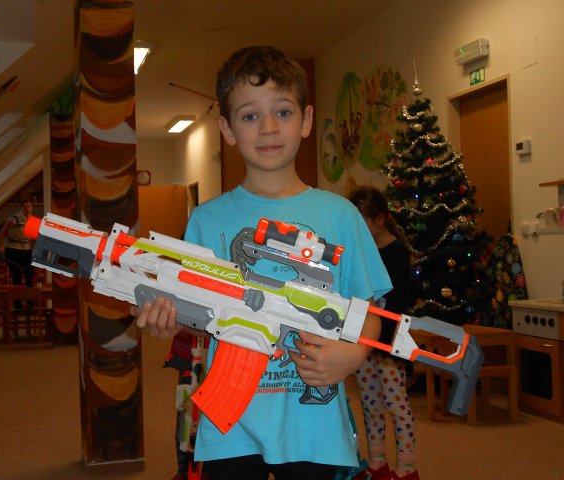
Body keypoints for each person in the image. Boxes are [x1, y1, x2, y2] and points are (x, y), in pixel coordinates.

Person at [133, 45, 391, 480]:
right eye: (250, 115)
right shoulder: (206, 221)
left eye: (283, 112)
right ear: (227, 129)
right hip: (230, 427)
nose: (268, 127)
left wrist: (354, 353)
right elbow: (199, 314)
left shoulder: (340, 216)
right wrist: (167, 322)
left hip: (315, 426)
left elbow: (369, 312)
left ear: (306, 120)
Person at [349, 186, 419, 480]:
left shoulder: (396, 251)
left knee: (395, 403)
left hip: (390, 341)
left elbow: (398, 302)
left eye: (363, 220)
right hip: (364, 337)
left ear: (379, 219)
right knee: (370, 401)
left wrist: (386, 340)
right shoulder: (362, 250)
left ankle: (407, 467)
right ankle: (377, 461)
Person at [0, 199, 35, 287]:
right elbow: (2, 232)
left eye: (29, 206)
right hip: (13, 249)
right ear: (21, 208)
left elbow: (33, 237)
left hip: (26, 249)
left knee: (29, 274)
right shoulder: (15, 219)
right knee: (17, 275)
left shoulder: (32, 220)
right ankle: (17, 295)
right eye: (25, 207)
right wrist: (1, 246)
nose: (27, 209)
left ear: (31, 208)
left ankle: (30, 294)